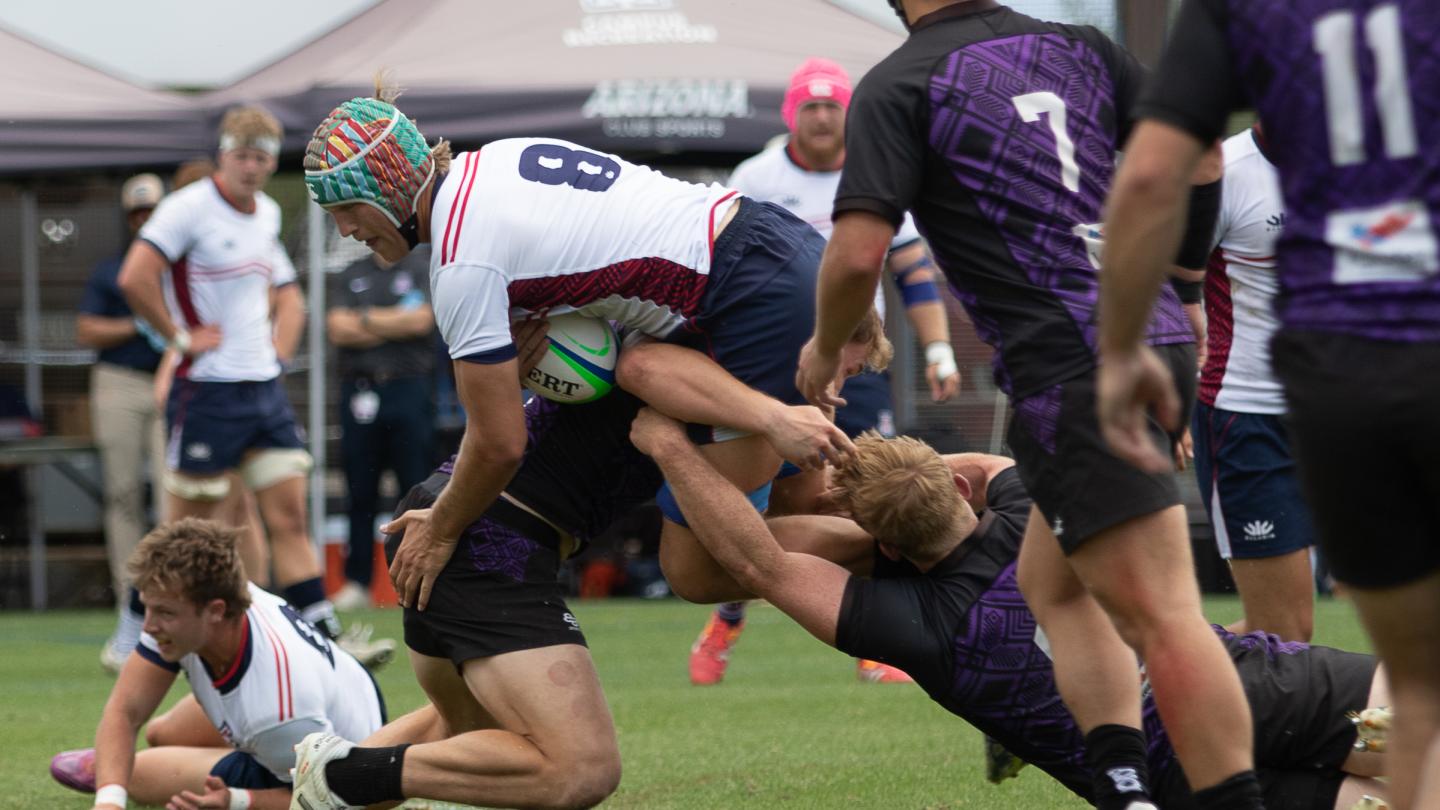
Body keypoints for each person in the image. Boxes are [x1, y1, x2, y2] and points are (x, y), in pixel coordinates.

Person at [791, 1, 1256, 807]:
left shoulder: (902, 80)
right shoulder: (1079, 46)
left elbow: (861, 252)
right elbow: (1206, 158)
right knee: (1056, 585)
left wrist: (827, 347)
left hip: (1074, 368)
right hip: (1142, 342)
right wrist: (1185, 287)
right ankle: (1124, 785)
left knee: (1164, 616)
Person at [633, 415, 1392, 809]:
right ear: (959, 492)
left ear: (879, 546)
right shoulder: (1029, 503)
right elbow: (981, 470)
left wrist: (672, 446)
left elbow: (752, 562)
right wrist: (899, 470)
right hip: (1254, 686)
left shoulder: (916, 629)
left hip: (1168, 779)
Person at [302, 86, 856, 621]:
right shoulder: (495, 161)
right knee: (808, 495)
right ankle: (932, 492)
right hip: (776, 244)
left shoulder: (461, 261)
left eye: (347, 207)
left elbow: (498, 444)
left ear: (391, 188)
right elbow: (598, 248)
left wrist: (442, 526)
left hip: (745, 298)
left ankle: (912, 552)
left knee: (698, 568)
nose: (346, 230)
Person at [285, 321, 886, 810]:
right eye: (844, 367)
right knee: (581, 769)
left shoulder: (735, 372)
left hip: (456, 516)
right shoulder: (725, 386)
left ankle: (330, 785)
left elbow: (809, 498)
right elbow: (700, 566)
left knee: (462, 734)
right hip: (487, 535)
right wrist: (882, 541)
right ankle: (341, 773)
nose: (837, 391)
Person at [1093, 1, 1440, 807]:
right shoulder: (1232, 169)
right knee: (1289, 644)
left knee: (1404, 673)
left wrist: (1118, 363)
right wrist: (1162, 368)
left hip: (1350, 393)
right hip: (1256, 420)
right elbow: (1163, 226)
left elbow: (1146, 177)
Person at [689, 56, 960, 686]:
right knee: (754, 504)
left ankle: (871, 637)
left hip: (853, 368)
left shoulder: (876, 171)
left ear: (848, 115)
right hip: (765, 367)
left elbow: (915, 272)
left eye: (831, 106)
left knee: (849, 495)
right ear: (791, 114)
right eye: (809, 106)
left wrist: (940, 350)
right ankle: (728, 616)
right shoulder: (755, 174)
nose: (820, 117)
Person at [118, 107, 384, 664]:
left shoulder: (264, 213)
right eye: (242, 154)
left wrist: (276, 354)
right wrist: (181, 339)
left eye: (262, 156)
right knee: (185, 530)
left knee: (287, 516)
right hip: (208, 389)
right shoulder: (185, 209)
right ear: (223, 154)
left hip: (262, 390)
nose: (252, 166)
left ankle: (325, 641)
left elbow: (288, 293)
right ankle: (131, 630)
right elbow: (134, 278)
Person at [48, 518, 385, 810]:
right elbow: (125, 711)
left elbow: (328, 799)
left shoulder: (277, 712)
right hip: (341, 689)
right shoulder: (192, 602)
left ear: (216, 611)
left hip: (339, 755)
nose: (148, 626)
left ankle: (127, 766)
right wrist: (108, 801)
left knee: (134, 775)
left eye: (163, 613)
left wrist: (238, 801)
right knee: (159, 732)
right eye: (149, 608)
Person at [1191, 126, 1317, 643]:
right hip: (1249, 420)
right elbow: (1159, 288)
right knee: (1282, 633)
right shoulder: (1221, 173)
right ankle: (1124, 685)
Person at [76, 172, 169, 673]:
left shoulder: (177, 266)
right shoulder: (114, 269)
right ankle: (127, 599)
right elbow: (85, 327)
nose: (145, 220)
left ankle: (167, 597)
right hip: (122, 381)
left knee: (174, 492)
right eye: (137, 213)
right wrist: (139, 323)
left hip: (172, 380)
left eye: (152, 210)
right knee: (123, 494)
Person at [325, 244, 436, 610]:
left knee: (414, 488)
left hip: (409, 387)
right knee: (360, 490)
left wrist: (366, 320)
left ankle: (417, 577)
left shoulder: (421, 266)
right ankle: (357, 582)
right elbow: (337, 328)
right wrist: (392, 323)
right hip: (360, 389)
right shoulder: (352, 271)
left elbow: (421, 320)